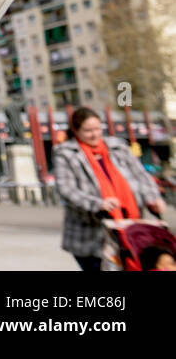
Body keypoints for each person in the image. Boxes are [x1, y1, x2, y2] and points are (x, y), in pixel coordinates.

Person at [52, 106, 166, 270]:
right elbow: (66, 189)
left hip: (128, 229)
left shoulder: (117, 146)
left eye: (98, 128)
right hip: (90, 233)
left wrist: (153, 198)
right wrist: (98, 203)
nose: (95, 134)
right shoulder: (65, 152)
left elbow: (141, 176)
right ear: (75, 131)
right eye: (88, 130)